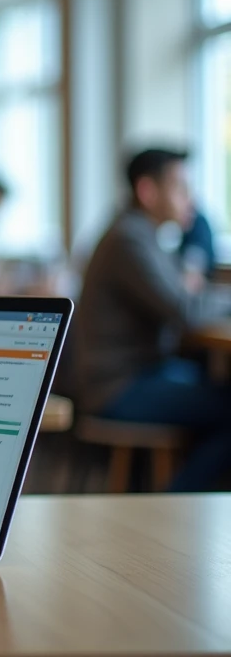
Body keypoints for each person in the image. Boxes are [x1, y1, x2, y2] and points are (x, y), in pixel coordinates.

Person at [76, 148, 231, 491]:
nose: (191, 198)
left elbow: (187, 297)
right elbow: (187, 309)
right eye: (181, 187)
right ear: (148, 191)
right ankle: (174, 505)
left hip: (137, 374)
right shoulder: (129, 239)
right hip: (118, 387)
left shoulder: (140, 235)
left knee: (214, 388)